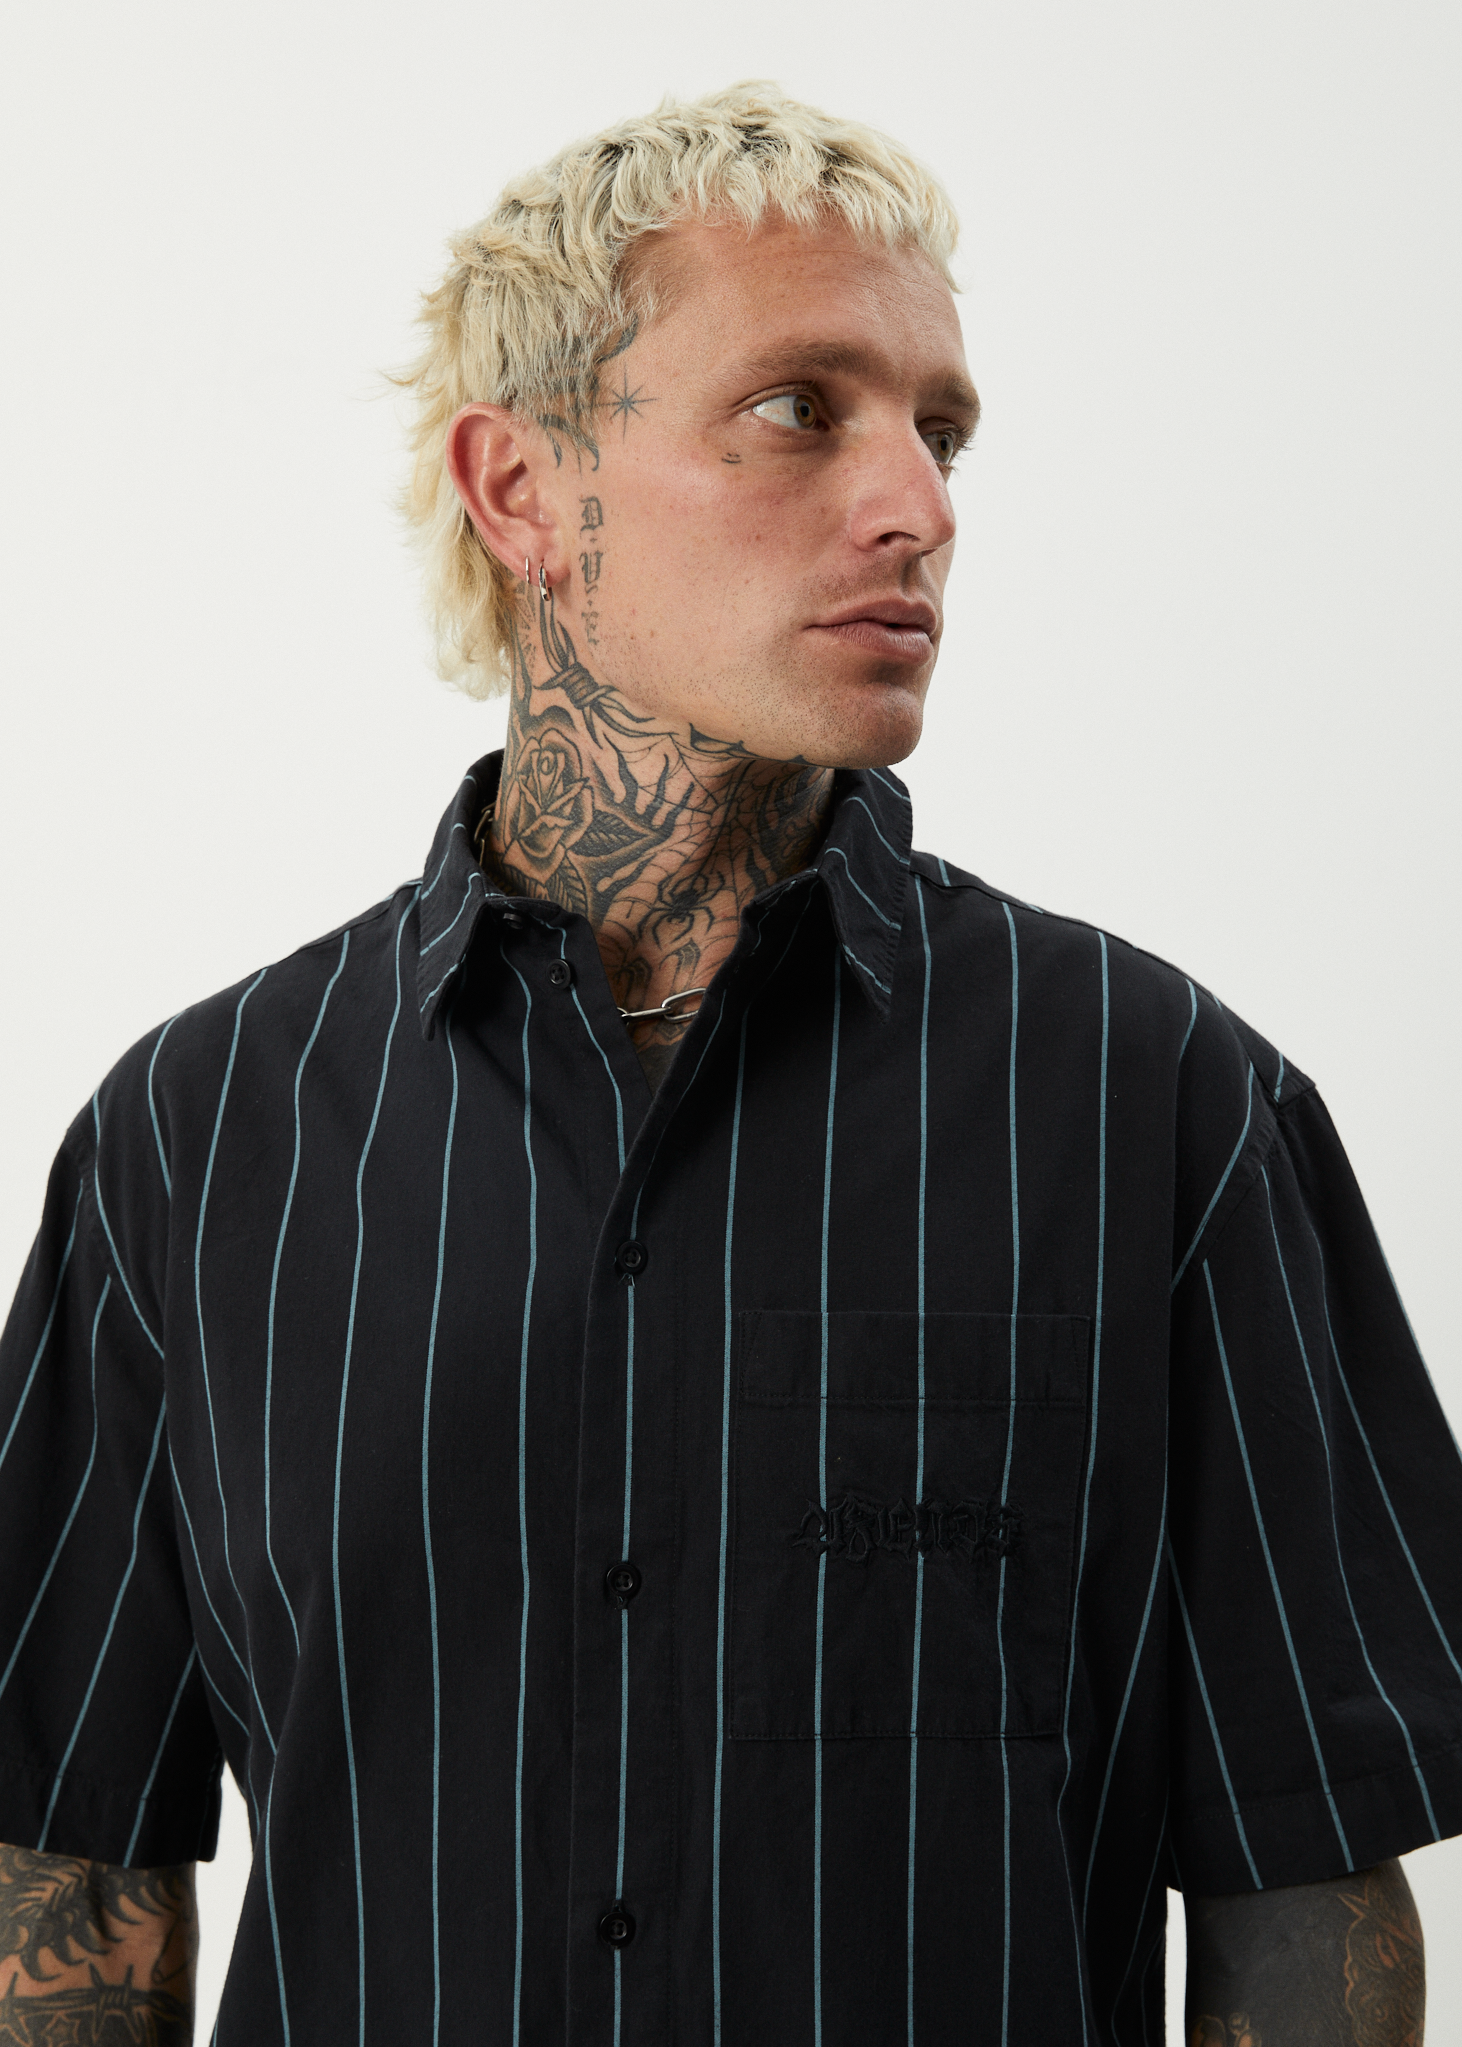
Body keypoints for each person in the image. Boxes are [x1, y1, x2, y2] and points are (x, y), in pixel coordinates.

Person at [0, 81, 1457, 2047]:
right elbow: (74, 1862)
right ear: (522, 489)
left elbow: (1303, 1895)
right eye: (798, 407)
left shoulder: (1165, 1106)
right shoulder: (190, 1141)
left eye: (941, 430)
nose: (918, 506)